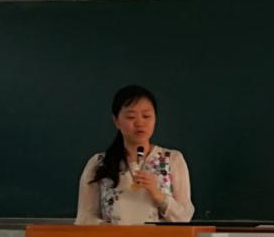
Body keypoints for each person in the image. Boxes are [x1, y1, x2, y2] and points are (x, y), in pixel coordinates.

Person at [76, 84, 194, 225]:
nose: (140, 123)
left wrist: (158, 195)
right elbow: (84, 218)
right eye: (131, 117)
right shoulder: (99, 163)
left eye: (146, 116)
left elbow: (184, 217)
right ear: (116, 121)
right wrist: (112, 230)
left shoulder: (172, 159)